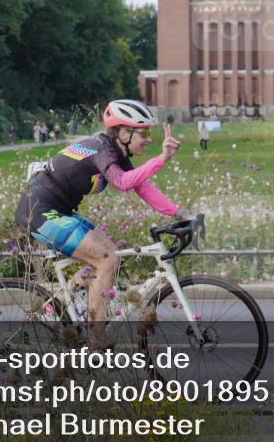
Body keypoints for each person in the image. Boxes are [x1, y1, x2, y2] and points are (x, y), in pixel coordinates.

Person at [14, 99, 189, 348]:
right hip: (39, 212)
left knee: (110, 255)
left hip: (58, 211)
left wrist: (181, 213)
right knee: (105, 259)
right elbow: (123, 182)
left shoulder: (116, 152)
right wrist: (161, 159)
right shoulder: (102, 150)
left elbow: (142, 187)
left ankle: (59, 304)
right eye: (145, 133)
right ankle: (96, 340)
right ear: (124, 133)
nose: (148, 139)